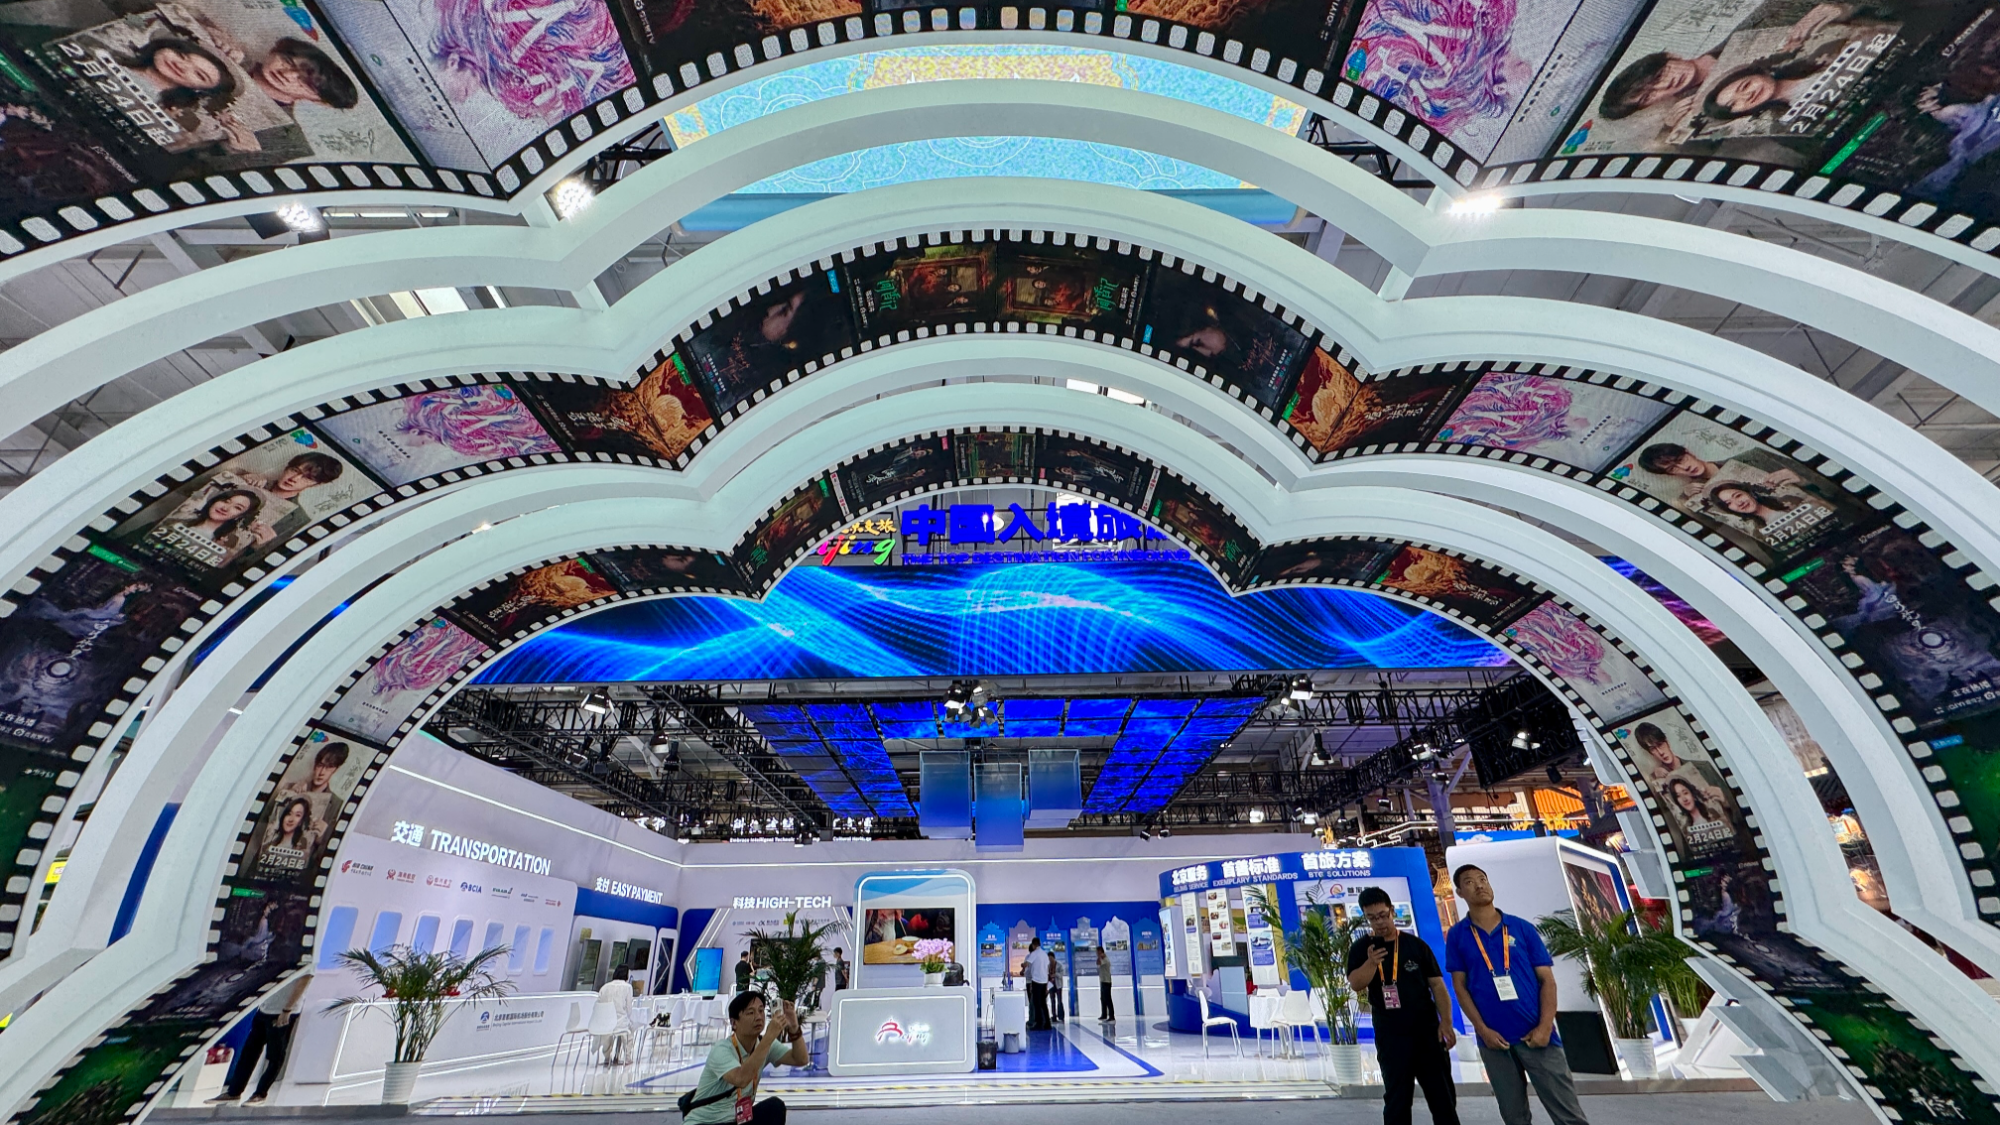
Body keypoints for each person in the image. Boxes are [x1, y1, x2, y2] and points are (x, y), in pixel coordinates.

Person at [1445, 866, 1590, 1125]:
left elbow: (1547, 981)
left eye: (1483, 879)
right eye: (1469, 882)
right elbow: (1460, 987)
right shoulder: (1457, 936)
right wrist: (1483, 1031)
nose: (1479, 885)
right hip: (1494, 1043)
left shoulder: (1521, 928)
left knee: (1568, 1115)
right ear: (1459, 892)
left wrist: (1545, 1027)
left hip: (1537, 1036)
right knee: (1514, 1117)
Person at [1348, 887, 1459, 1125]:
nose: (1379, 922)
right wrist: (1371, 962)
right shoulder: (1361, 949)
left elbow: (1438, 986)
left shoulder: (1415, 946)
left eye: (1382, 915)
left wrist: (1447, 1023)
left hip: (1427, 1031)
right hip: (1391, 1034)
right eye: (1372, 918)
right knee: (1397, 1097)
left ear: (1392, 911)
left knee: (1442, 1096)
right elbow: (1356, 983)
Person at [683, 991, 807, 1125]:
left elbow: (800, 1059)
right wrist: (770, 1036)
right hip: (706, 1122)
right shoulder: (722, 1049)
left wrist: (794, 1027)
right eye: (750, 1013)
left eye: (761, 1011)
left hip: (737, 1120)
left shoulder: (763, 1044)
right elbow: (740, 1079)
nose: (758, 1017)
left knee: (774, 1107)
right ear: (734, 1023)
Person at [209, 971, 313, 1104]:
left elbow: (304, 980)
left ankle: (260, 1093)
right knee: (249, 1052)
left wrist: (287, 1010)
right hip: (265, 1009)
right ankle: (234, 1091)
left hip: (282, 1012)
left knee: (275, 1055)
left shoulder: (307, 960)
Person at [596, 966, 635, 1065]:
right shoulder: (627, 987)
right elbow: (629, 1008)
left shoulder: (604, 987)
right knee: (630, 1029)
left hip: (604, 1023)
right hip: (620, 1022)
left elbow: (598, 1004)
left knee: (607, 1033)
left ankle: (607, 1057)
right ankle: (627, 1057)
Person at [1022, 938, 1052, 1031]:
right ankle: (1047, 1023)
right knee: (1043, 1003)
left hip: (1036, 981)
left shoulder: (1034, 954)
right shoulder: (1044, 954)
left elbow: (1026, 964)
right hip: (1044, 981)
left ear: (1033, 945)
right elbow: (1048, 968)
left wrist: (1022, 965)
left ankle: (1039, 1023)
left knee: (1036, 1003)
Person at [1096, 944, 1115, 1022]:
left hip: (1107, 981)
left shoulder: (1105, 959)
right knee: (1103, 998)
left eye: (1098, 952)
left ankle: (1111, 1015)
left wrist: (1100, 956)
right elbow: (1097, 963)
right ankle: (1104, 1014)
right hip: (1103, 980)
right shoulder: (1102, 959)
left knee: (1108, 999)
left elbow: (1099, 963)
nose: (1097, 954)